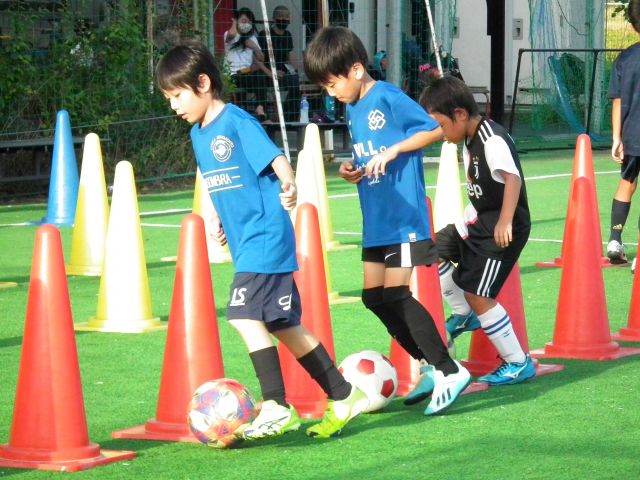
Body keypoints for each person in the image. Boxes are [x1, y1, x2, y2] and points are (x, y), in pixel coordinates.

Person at [156, 42, 367, 440]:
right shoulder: (198, 135)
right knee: (282, 323)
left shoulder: (235, 121)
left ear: (203, 83)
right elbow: (215, 180)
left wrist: (289, 185)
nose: (174, 106)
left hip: (266, 235)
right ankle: (344, 394)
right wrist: (217, 216)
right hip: (246, 241)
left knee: (241, 314)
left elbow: (275, 159)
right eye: (169, 99)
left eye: (178, 95)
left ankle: (276, 404)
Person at [304, 26, 470, 416]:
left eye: (332, 84)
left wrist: (395, 149)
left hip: (402, 217)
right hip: (375, 219)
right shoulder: (351, 107)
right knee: (373, 298)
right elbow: (368, 154)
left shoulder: (389, 97)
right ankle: (430, 364)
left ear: (357, 69)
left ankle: (450, 370)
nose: (331, 94)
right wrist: (353, 169)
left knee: (395, 294)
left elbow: (434, 129)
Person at [419, 75, 536, 386]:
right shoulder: (467, 139)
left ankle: (517, 362)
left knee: (478, 293)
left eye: (439, 125)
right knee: (429, 252)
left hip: (501, 229)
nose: (437, 133)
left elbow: (513, 179)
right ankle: (463, 314)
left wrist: (505, 221)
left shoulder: (491, 139)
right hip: (476, 220)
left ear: (459, 114)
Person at [606, 0, 640, 268]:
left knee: (627, 182)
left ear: (631, 25)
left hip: (631, 134)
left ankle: (615, 239)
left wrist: (616, 137)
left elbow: (617, 100)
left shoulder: (625, 58)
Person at [257, 5, 301, 122]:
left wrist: (300, 66)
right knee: (259, 80)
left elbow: (290, 56)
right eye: (280, 16)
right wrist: (272, 72)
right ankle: (264, 116)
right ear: (274, 18)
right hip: (266, 72)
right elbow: (258, 60)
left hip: (282, 72)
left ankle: (288, 116)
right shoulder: (264, 35)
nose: (284, 19)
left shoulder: (287, 35)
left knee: (295, 82)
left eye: (286, 16)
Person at [224, 8, 268, 121]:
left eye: (249, 22)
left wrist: (254, 47)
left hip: (247, 73)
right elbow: (232, 34)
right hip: (232, 75)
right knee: (254, 79)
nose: (246, 24)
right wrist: (234, 22)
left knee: (260, 76)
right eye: (243, 21)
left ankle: (260, 108)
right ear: (237, 21)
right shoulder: (229, 36)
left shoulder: (252, 38)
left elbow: (261, 58)